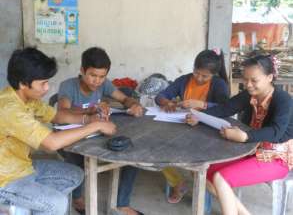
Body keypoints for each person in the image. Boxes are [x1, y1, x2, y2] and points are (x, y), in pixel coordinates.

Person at [0, 47, 117, 215]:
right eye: (43, 83)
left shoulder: (27, 98)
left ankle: (27, 207)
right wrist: (95, 126)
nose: (47, 88)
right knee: (57, 203)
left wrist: (88, 117)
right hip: (5, 181)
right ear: (23, 83)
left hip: (23, 168)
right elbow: (51, 143)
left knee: (74, 174)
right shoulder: (9, 108)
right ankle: (13, 206)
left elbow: (57, 116)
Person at [186, 55, 293, 215]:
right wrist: (199, 117)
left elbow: (276, 132)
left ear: (269, 77)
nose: (248, 85)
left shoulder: (283, 99)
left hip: (277, 157)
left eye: (254, 80)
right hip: (251, 149)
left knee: (221, 178)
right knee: (202, 170)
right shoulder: (249, 94)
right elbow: (225, 108)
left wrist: (245, 137)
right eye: (245, 79)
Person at [57, 47, 144, 215]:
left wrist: (133, 105)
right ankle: (77, 197)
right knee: (78, 158)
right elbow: (62, 113)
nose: (97, 81)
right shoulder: (68, 86)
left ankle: (122, 204)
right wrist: (89, 110)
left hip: (96, 134)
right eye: (92, 75)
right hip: (72, 137)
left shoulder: (104, 84)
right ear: (82, 70)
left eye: (101, 77)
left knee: (132, 152)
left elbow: (124, 98)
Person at [155, 49, 229, 204]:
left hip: (208, 131)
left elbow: (226, 108)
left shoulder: (219, 84)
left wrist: (202, 104)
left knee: (199, 162)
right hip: (183, 127)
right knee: (157, 150)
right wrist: (167, 102)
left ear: (213, 74)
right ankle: (178, 183)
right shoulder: (184, 80)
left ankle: (203, 186)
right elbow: (160, 96)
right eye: (196, 73)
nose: (199, 78)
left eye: (205, 76)